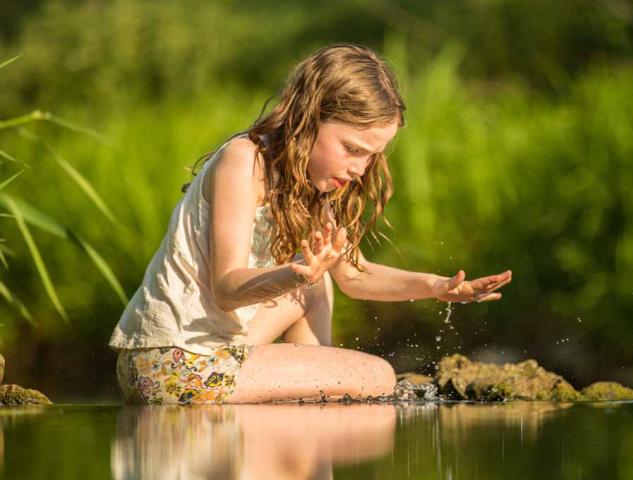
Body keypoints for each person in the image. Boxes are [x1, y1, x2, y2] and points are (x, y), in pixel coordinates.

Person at [109, 44, 512, 404]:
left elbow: (354, 276)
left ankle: (305, 442)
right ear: (308, 120)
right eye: (352, 149)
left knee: (318, 286)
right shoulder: (244, 160)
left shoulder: (309, 185)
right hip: (172, 364)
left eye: (372, 156)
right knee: (378, 375)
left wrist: (435, 287)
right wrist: (296, 273)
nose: (359, 169)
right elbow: (227, 288)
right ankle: (317, 407)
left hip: (207, 355)